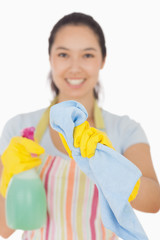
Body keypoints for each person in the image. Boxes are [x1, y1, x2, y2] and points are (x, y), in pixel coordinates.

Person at [0, 12, 160, 240]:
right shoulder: (20, 128)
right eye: (63, 54)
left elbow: (154, 202)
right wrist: (9, 179)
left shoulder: (125, 130)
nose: (75, 68)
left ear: (102, 60)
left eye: (87, 55)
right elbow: (3, 229)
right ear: (50, 58)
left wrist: (111, 165)